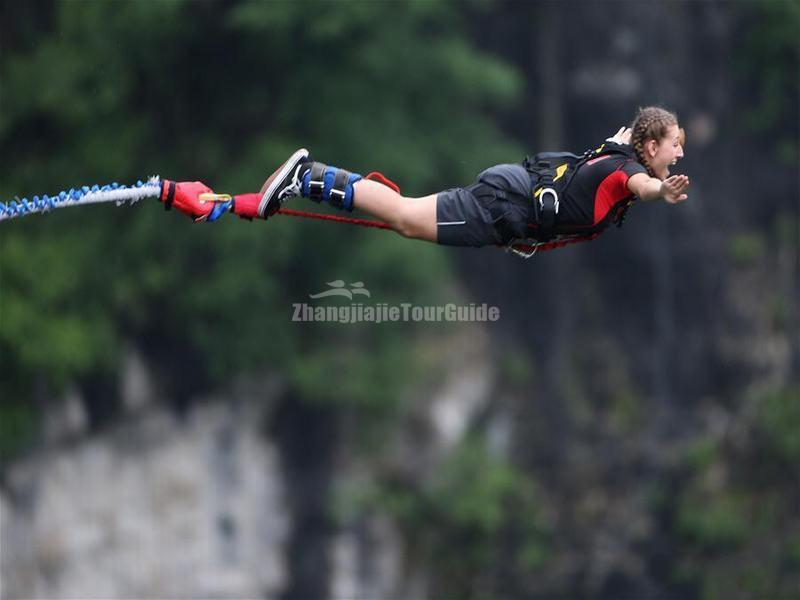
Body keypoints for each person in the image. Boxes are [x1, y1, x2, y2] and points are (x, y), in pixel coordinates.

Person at [160, 106, 688, 253]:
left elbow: (619, 149)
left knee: (407, 220)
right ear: (648, 148)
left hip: (511, 199)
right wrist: (659, 190)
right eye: (674, 143)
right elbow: (636, 186)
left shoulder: (620, 147)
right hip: (505, 203)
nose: (680, 151)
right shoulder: (628, 174)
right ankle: (308, 175)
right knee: (408, 219)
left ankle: (311, 179)